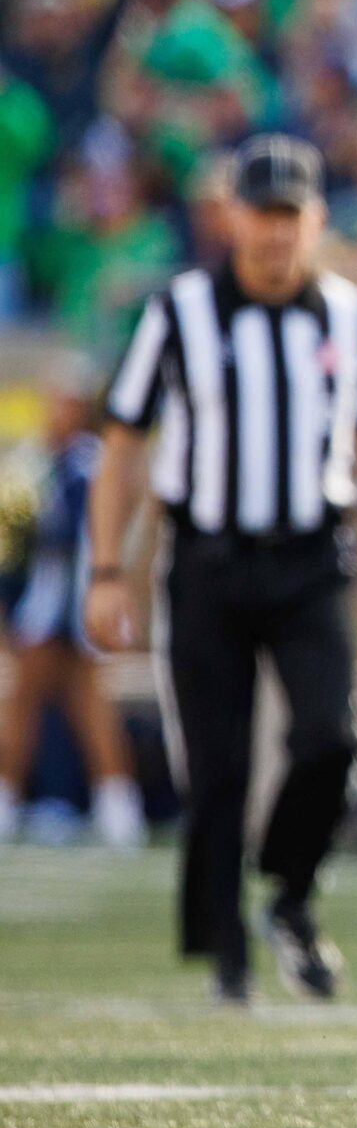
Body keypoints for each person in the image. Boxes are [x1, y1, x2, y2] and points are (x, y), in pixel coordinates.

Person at [85, 135, 357, 1002]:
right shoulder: (179, 312)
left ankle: (290, 893)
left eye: (291, 215)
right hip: (205, 561)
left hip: (312, 560)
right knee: (218, 768)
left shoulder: (353, 318)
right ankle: (226, 951)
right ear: (232, 216)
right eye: (262, 213)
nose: (276, 233)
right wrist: (106, 567)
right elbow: (124, 444)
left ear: (316, 220)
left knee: (330, 738)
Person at [0, 361, 145, 848]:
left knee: (33, 706)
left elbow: (61, 534)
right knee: (81, 709)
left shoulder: (81, 463)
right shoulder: (62, 461)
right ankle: (116, 808)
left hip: (63, 607)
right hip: (64, 605)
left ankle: (15, 801)